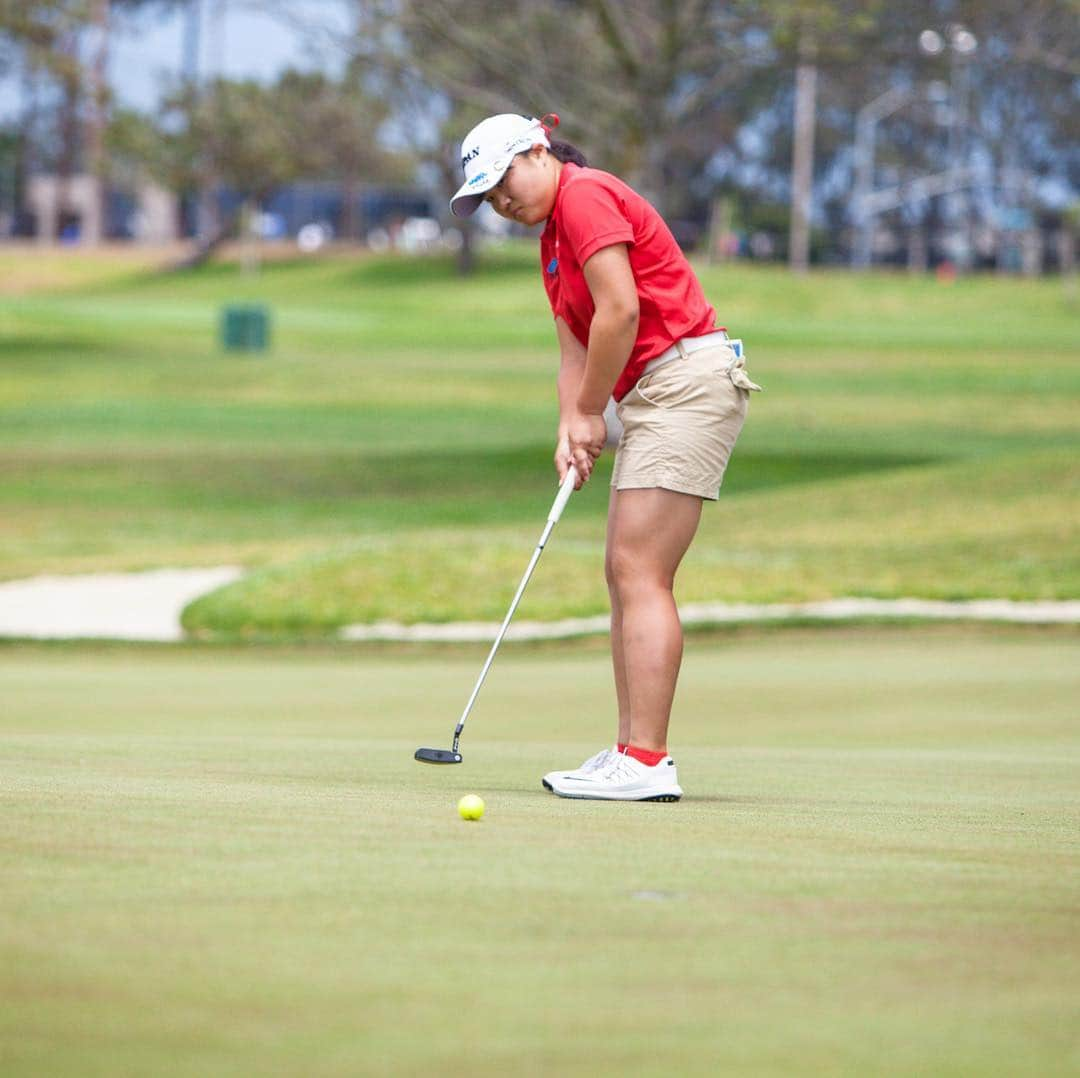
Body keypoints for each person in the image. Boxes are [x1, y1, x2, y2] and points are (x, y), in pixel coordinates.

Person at [450, 113, 760, 802]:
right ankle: (629, 752)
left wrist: (594, 412)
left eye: (503, 181)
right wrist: (572, 421)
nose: (502, 202)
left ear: (537, 151)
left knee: (640, 571)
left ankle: (648, 763)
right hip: (652, 392)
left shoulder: (584, 196)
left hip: (683, 383)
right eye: (487, 197)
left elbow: (619, 312)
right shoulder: (553, 241)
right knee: (623, 571)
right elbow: (575, 345)